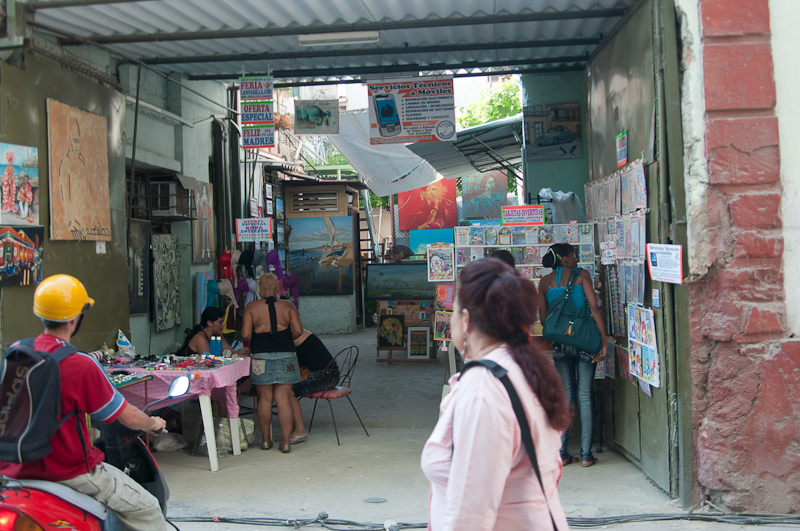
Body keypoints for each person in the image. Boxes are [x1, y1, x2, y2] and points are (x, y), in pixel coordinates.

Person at [0, 274, 169, 531]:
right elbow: (128, 416)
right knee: (147, 508)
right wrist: (152, 422)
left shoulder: (16, 352)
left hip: (13, 469)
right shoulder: (79, 363)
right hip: (70, 472)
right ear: (75, 318)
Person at [421, 258, 571, 530]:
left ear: (465, 320)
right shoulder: (523, 367)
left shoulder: (483, 391)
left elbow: (470, 515)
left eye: (453, 312)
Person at [537, 243, 608, 468]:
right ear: (565, 259)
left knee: (567, 397)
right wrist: (603, 341)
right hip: (585, 341)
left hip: (560, 343)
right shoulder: (581, 275)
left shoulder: (545, 282)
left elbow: (543, 318)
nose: (576, 258)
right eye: (573, 255)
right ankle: (586, 455)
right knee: (586, 396)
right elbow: (594, 310)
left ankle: (563, 454)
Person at [241, 273, 303, 453]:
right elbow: (298, 331)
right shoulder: (288, 306)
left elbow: (245, 335)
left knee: (265, 399)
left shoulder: (251, 307)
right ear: (277, 289)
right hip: (286, 356)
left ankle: (266, 441)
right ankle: (285, 442)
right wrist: (284, 339)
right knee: (283, 399)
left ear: (260, 289)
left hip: (261, 357)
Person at [177, 306, 249, 418]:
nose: (223, 325)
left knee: (226, 386)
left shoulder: (217, 336)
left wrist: (240, 352)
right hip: (192, 378)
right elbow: (210, 361)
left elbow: (231, 353)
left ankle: (225, 423)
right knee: (224, 388)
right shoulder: (200, 338)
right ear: (209, 322)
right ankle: (225, 424)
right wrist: (233, 355)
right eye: (220, 322)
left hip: (207, 375)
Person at [282, 330, 341, 444]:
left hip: (326, 376)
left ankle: (300, 431)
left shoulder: (292, 335)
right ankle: (290, 431)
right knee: (284, 389)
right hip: (327, 374)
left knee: (287, 392)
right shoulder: (298, 332)